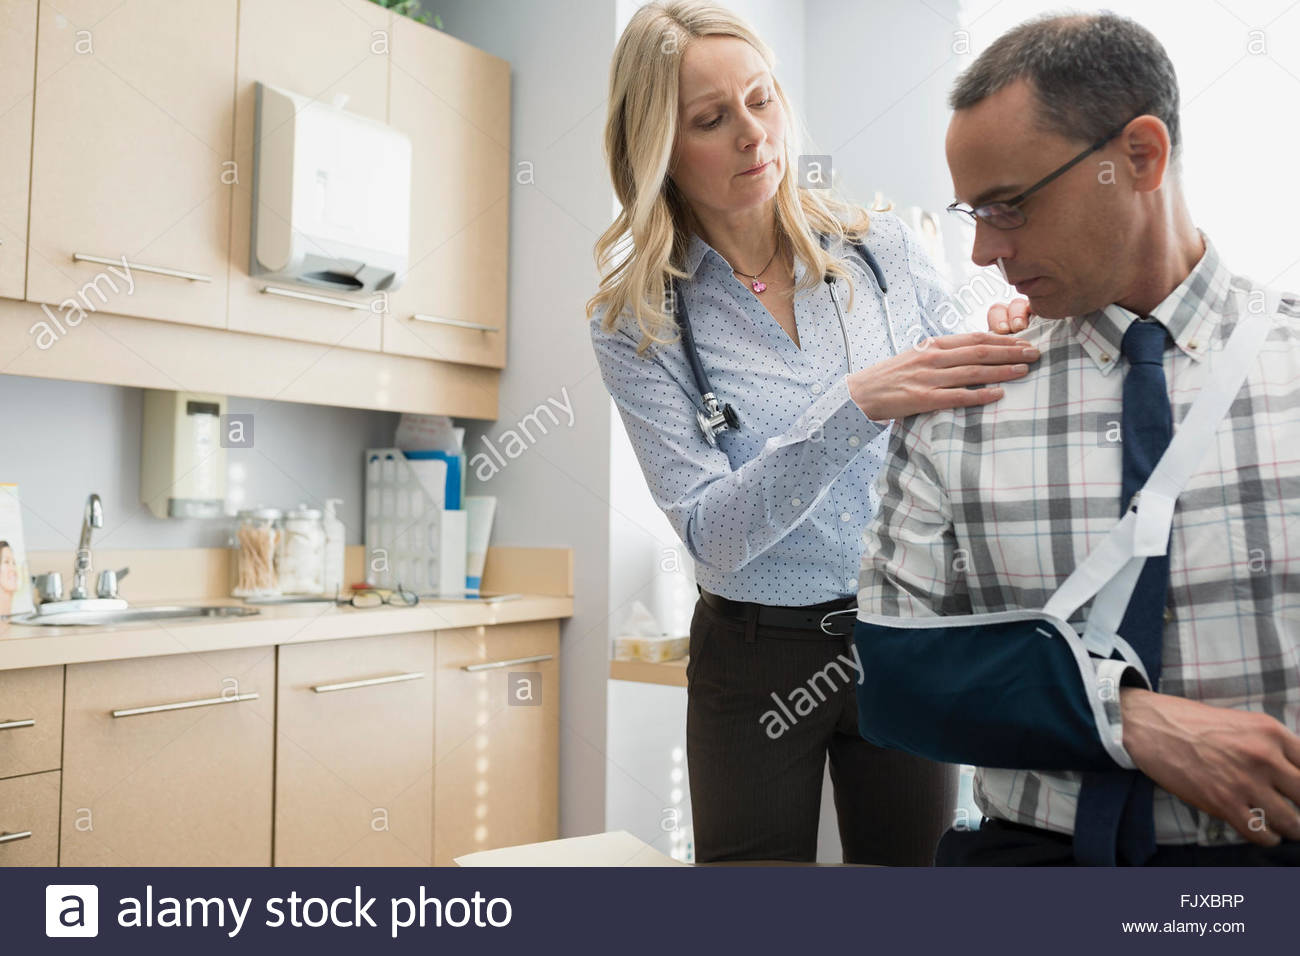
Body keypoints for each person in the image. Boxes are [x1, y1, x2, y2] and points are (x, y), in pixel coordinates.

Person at [587, 0, 1039, 864]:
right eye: (712, 120)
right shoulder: (639, 320)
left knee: (908, 899)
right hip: (753, 656)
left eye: (762, 100)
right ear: (658, 151)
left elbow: (957, 398)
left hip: (901, 628)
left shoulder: (884, 252)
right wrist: (854, 404)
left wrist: (1011, 333)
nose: (754, 135)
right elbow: (713, 536)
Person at [856, 12, 1300, 865]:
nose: (983, 250)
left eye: (1009, 207)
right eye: (971, 214)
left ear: (1140, 156)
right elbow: (892, 676)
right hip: (1030, 875)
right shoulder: (961, 398)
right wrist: (1125, 717)